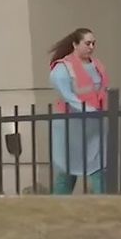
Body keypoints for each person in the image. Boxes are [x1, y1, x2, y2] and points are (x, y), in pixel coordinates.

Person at [49, 28, 109, 194]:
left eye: (93, 43)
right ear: (75, 44)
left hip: (94, 125)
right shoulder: (63, 69)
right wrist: (89, 110)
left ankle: (104, 203)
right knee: (68, 171)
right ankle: (57, 205)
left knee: (99, 168)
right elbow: (68, 96)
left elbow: (103, 90)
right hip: (71, 125)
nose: (91, 47)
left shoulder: (97, 65)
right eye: (87, 43)